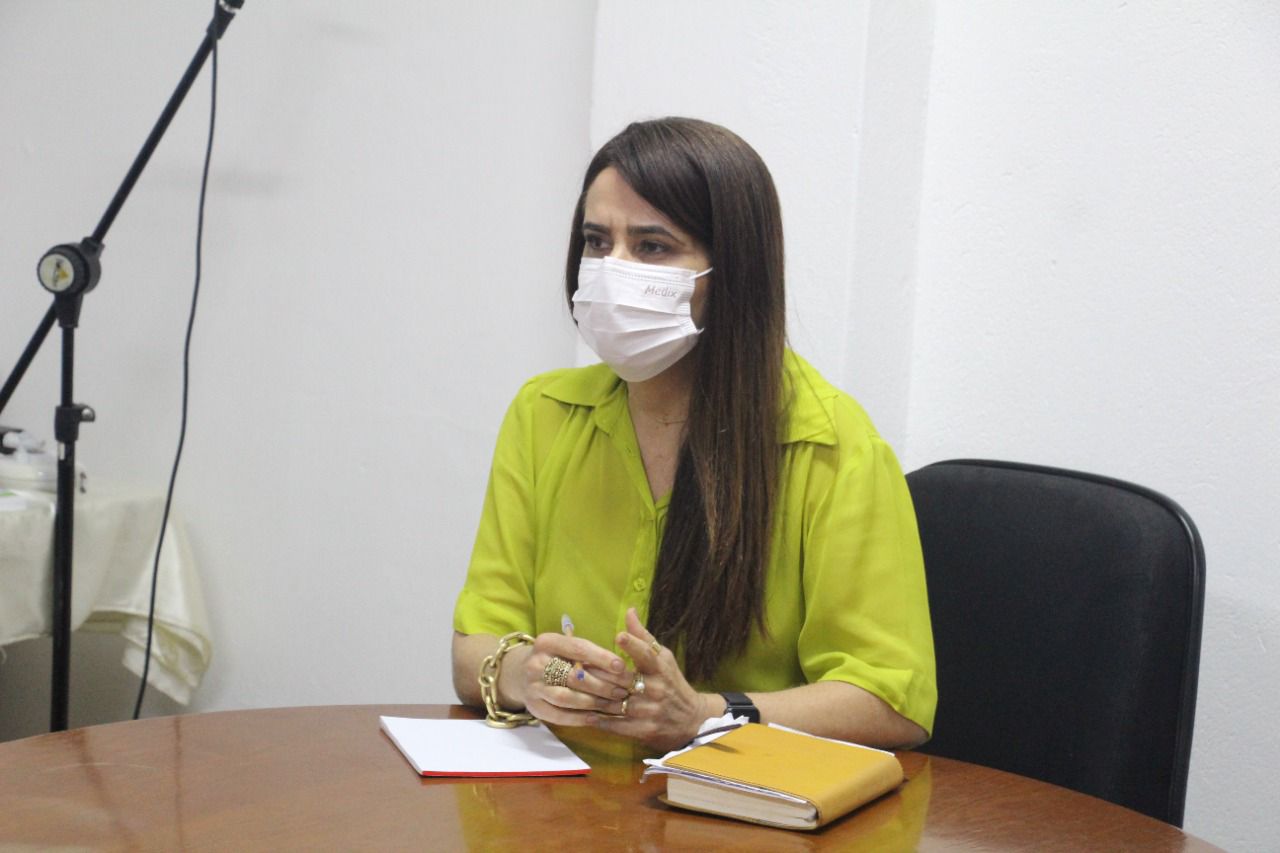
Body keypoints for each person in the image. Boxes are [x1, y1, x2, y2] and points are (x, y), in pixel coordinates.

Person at [452, 117, 935, 754]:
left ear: (731, 271)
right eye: (597, 242)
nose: (612, 270)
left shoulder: (831, 443)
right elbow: (474, 648)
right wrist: (533, 675)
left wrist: (705, 714)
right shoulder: (543, 413)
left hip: (736, 797)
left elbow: (890, 701)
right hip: (562, 793)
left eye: (652, 247)